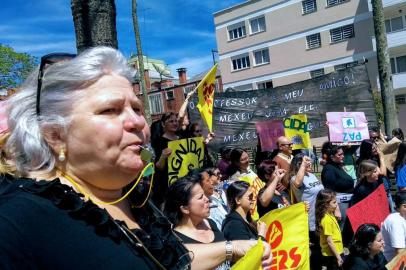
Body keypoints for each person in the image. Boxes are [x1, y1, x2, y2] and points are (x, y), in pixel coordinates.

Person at [0, 47, 192, 269]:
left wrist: (231, 248)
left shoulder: (134, 199)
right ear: (55, 135)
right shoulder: (15, 222)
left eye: (137, 109)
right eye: (110, 110)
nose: (138, 122)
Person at [163, 176, 272, 270]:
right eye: (200, 197)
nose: (207, 199)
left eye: (205, 195)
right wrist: (260, 236)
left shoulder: (210, 223)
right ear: (185, 208)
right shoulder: (176, 241)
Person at [290, 153, 324, 270]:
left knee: (321, 248)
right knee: (313, 252)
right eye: (306, 161)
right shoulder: (295, 178)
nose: (309, 163)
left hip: (320, 216)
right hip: (309, 220)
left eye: (309, 161)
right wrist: (303, 166)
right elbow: (297, 184)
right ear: (299, 164)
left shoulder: (311, 175)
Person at [227, 148, 264, 220]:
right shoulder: (235, 179)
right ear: (236, 162)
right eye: (243, 159)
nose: (247, 160)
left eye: (247, 157)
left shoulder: (249, 169)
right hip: (254, 214)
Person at [151, 112, 180, 206]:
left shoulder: (183, 139)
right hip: (167, 185)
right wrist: (163, 156)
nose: (175, 123)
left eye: (176, 121)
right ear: (163, 124)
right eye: (171, 121)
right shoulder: (158, 142)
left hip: (182, 182)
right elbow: (159, 167)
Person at [315, 189, 344, 270]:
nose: (336, 204)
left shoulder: (330, 214)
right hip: (333, 254)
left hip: (337, 251)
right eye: (334, 202)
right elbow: (329, 241)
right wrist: (338, 257)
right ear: (325, 205)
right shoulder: (326, 220)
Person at [381, 191, 406, 261]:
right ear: (404, 206)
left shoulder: (402, 217)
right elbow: (400, 252)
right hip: (392, 263)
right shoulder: (396, 222)